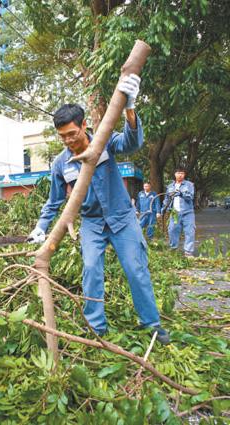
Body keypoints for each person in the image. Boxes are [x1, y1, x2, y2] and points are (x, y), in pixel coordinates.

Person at [28, 74, 169, 345]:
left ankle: (151, 323)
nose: (68, 140)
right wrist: (41, 227)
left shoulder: (104, 142)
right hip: (91, 223)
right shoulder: (61, 163)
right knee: (91, 270)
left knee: (135, 269)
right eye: (63, 137)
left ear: (83, 126)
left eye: (72, 133)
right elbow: (54, 200)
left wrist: (130, 107)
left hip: (122, 219)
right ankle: (96, 327)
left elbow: (132, 143)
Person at [162, 168, 195, 257]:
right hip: (175, 213)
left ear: (184, 175)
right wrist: (164, 207)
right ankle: (173, 249)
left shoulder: (189, 185)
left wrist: (181, 194)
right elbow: (166, 198)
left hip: (187, 212)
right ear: (175, 174)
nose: (180, 175)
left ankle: (188, 252)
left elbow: (191, 196)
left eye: (182, 173)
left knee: (189, 231)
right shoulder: (170, 186)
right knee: (172, 230)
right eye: (178, 173)